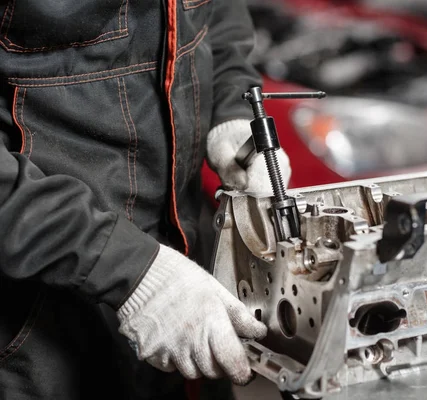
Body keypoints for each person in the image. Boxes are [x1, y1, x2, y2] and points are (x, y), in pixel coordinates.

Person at [0, 1, 290, 399]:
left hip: (192, 295)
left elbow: (216, 19)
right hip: (38, 332)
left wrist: (232, 108)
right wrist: (130, 270)